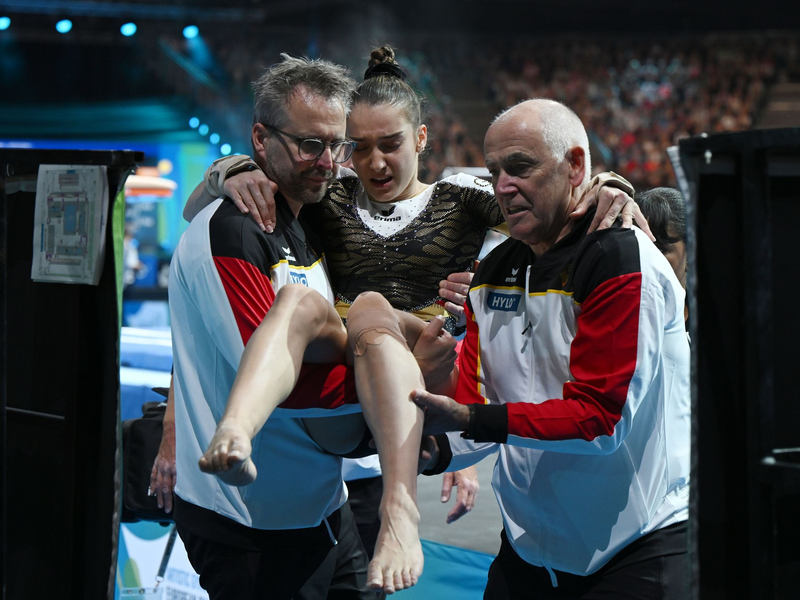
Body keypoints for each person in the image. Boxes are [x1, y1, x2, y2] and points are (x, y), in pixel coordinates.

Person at [179, 46, 647, 558]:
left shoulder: (462, 197)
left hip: (423, 373)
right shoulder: (329, 193)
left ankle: (397, 505)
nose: (374, 163)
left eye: (391, 144)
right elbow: (199, 214)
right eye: (358, 148)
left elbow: (549, 199)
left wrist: (607, 185)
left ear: (421, 138)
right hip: (347, 382)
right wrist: (228, 171)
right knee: (300, 301)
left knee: (368, 306)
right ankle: (238, 431)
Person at [413, 99, 691, 599]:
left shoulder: (621, 257)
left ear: (576, 166)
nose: (502, 186)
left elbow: (600, 421)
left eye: (520, 167)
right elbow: (482, 404)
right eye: (495, 171)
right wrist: (434, 450)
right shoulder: (493, 271)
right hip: (528, 552)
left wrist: (470, 419)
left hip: (634, 551)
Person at [168, 54, 374, 600]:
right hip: (248, 523)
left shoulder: (314, 212)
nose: (327, 162)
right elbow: (274, 382)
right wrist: (393, 395)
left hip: (325, 507)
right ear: (261, 139)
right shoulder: (234, 231)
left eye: (337, 144)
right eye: (310, 144)